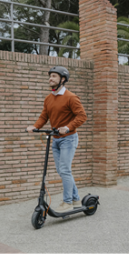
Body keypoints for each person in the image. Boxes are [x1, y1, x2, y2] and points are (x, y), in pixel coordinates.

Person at [27, 66, 87, 213]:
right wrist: (35, 126)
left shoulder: (71, 97)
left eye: (54, 76)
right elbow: (44, 116)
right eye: (50, 76)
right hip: (56, 139)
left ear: (63, 79)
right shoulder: (48, 98)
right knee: (62, 171)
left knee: (65, 170)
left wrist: (68, 127)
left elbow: (82, 116)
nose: (50, 79)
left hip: (68, 139)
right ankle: (76, 199)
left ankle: (67, 202)